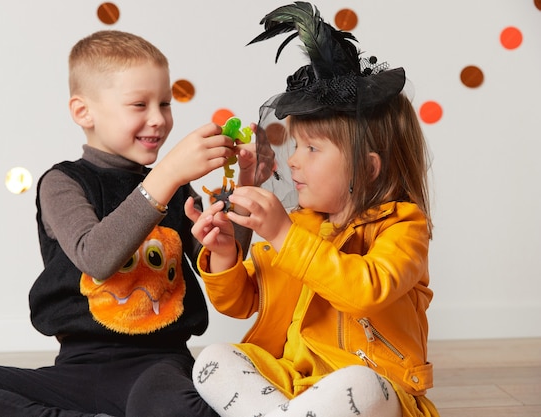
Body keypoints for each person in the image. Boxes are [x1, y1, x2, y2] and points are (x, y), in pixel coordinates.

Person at [0, 30, 256, 417]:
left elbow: (226, 261)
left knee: (167, 403)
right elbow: (96, 255)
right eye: (139, 105)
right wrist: (168, 174)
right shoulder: (62, 183)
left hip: (160, 368)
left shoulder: (175, 188)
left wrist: (246, 184)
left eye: (165, 103)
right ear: (83, 112)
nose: (159, 119)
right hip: (77, 372)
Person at [184, 3, 440, 417]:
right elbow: (244, 301)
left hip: (376, 383)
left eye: (312, 148)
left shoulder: (405, 227)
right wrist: (226, 253)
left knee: (359, 386)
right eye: (296, 145)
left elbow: (365, 291)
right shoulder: (302, 224)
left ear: (367, 167)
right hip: (294, 384)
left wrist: (285, 236)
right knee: (214, 360)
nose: (293, 161)